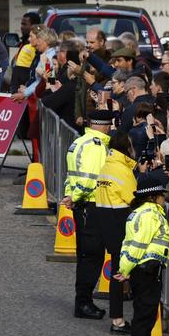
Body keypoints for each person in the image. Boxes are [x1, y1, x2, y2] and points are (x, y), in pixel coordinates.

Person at [63, 107, 116, 319]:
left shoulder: (80, 141)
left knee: (86, 255)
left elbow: (72, 176)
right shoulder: (96, 147)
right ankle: (84, 303)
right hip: (91, 206)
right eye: (109, 126)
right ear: (103, 126)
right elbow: (88, 179)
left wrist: (71, 196)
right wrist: (76, 197)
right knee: (91, 257)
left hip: (82, 206)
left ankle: (83, 301)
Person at [113, 169, 169, 336]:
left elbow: (127, 244)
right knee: (144, 319)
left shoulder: (138, 213)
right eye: (161, 195)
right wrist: (125, 270)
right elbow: (138, 245)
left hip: (142, 271)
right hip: (147, 272)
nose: (164, 198)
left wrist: (126, 269)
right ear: (153, 197)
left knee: (143, 317)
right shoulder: (150, 215)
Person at [94, 131, 138, 334]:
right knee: (122, 274)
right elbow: (134, 199)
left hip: (105, 221)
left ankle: (117, 318)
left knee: (117, 273)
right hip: (120, 222)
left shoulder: (107, 166)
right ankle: (118, 321)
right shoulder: (123, 171)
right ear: (126, 148)